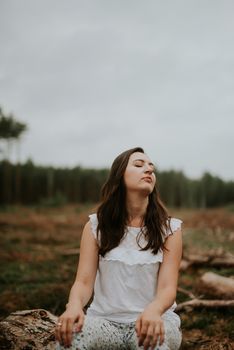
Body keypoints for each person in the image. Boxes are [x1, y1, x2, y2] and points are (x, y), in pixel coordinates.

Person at [55, 147, 183, 350]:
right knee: (69, 341)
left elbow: (168, 288)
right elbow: (83, 282)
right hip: (104, 322)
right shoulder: (96, 226)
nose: (149, 170)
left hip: (153, 320)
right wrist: (74, 307)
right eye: (139, 165)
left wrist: (154, 310)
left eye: (151, 167)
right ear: (119, 176)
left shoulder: (170, 229)